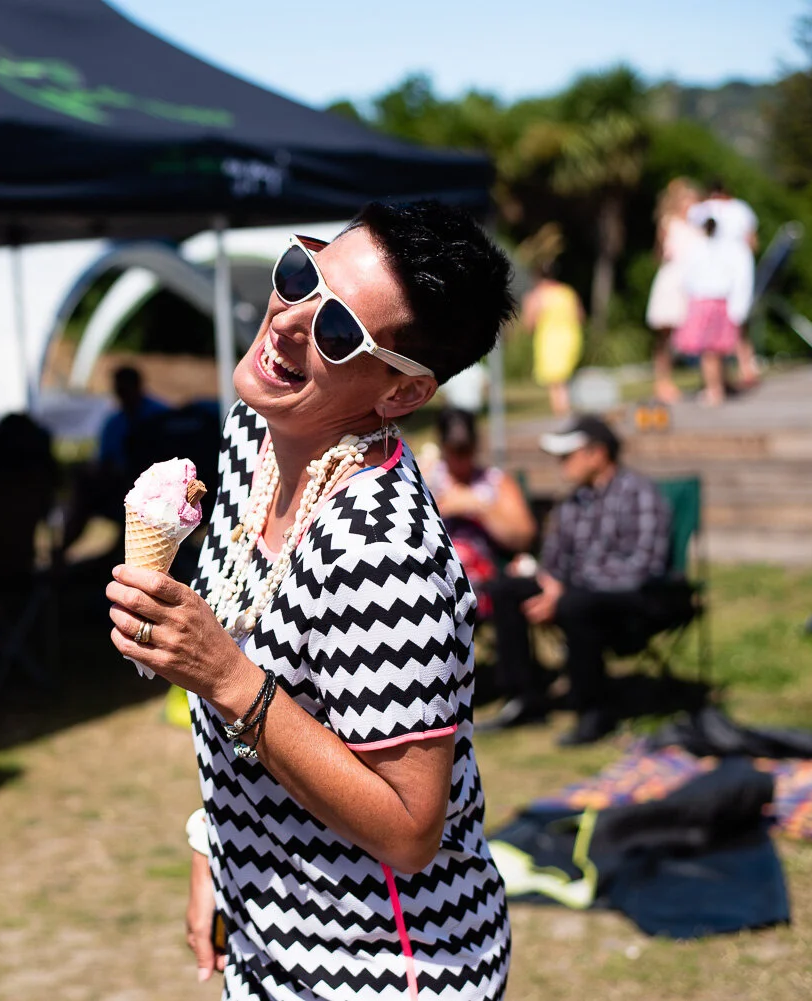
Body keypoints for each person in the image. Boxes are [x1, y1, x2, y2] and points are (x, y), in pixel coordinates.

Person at [110, 201, 513, 1000]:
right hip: (268, 941)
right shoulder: (254, 433)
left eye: (337, 330)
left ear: (402, 392)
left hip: (388, 967)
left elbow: (410, 828)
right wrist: (214, 844)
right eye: (301, 275)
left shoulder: (384, 551)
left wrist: (226, 677)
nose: (290, 320)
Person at [481, 416, 672, 746]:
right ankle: (524, 698)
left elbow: (643, 567)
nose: (561, 464)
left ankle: (594, 709)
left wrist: (563, 589)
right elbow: (554, 563)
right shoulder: (571, 503)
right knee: (506, 589)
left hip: (634, 601)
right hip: (573, 593)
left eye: (567, 456)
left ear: (597, 454)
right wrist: (545, 581)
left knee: (576, 603)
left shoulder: (639, 494)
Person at [422, 408, 537, 610]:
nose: (460, 458)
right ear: (442, 446)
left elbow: (523, 536)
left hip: (484, 580)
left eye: (466, 450)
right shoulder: (425, 477)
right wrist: (443, 507)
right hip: (434, 575)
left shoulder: (495, 481)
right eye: (454, 450)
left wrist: (480, 507)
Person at [674, 216, 755, 407]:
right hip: (718, 302)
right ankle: (718, 386)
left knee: (710, 352)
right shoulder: (727, 249)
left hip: (705, 302)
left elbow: (687, 278)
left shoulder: (697, 249)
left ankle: (714, 389)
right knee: (715, 351)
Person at [688, 179, 760, 388]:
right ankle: (745, 366)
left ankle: (735, 372)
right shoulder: (741, 209)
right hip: (735, 269)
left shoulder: (704, 210)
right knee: (737, 320)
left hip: (713, 278)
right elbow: (752, 241)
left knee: (723, 325)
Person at [644, 178, 705, 404]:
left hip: (695, 284)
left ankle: (711, 379)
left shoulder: (699, 225)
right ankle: (663, 382)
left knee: (702, 334)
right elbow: (660, 254)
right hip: (673, 283)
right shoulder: (669, 223)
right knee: (665, 336)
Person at [521, 263, 584, 417]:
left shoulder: (536, 296)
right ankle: (564, 411)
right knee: (562, 379)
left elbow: (529, 324)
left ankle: (562, 413)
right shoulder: (567, 291)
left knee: (555, 381)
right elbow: (580, 316)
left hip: (549, 340)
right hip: (571, 337)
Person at [97, 366, 170, 477]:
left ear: (137, 386)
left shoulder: (161, 415)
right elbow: (105, 460)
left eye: (125, 390)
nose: (123, 396)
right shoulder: (113, 423)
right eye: (120, 391)